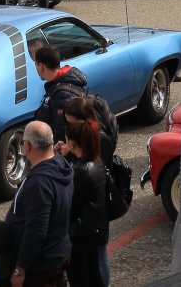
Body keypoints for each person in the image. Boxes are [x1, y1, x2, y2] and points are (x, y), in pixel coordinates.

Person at [6, 122, 73, 287]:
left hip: (42, 266)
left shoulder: (40, 183)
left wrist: (20, 269)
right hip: (58, 253)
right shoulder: (61, 164)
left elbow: (36, 231)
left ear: (28, 146)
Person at [62, 114, 109, 287]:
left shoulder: (80, 171)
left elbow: (71, 206)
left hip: (79, 235)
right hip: (93, 229)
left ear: (72, 143)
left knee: (80, 279)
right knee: (94, 275)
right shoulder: (96, 161)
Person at [32, 45, 91, 137]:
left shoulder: (62, 95)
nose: (36, 68)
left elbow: (62, 133)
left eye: (36, 64)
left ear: (41, 66)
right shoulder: (58, 86)